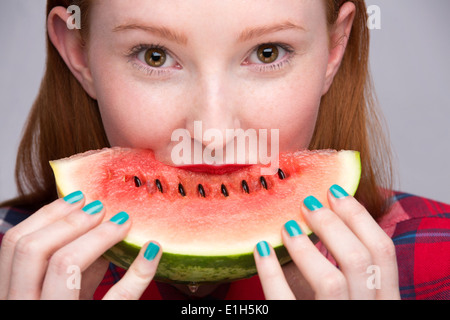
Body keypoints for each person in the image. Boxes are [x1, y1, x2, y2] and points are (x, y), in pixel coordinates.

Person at [0, 0, 449, 300]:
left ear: (334, 49)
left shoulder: (437, 261)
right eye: (154, 56)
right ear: (78, 54)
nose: (213, 133)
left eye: (269, 52)